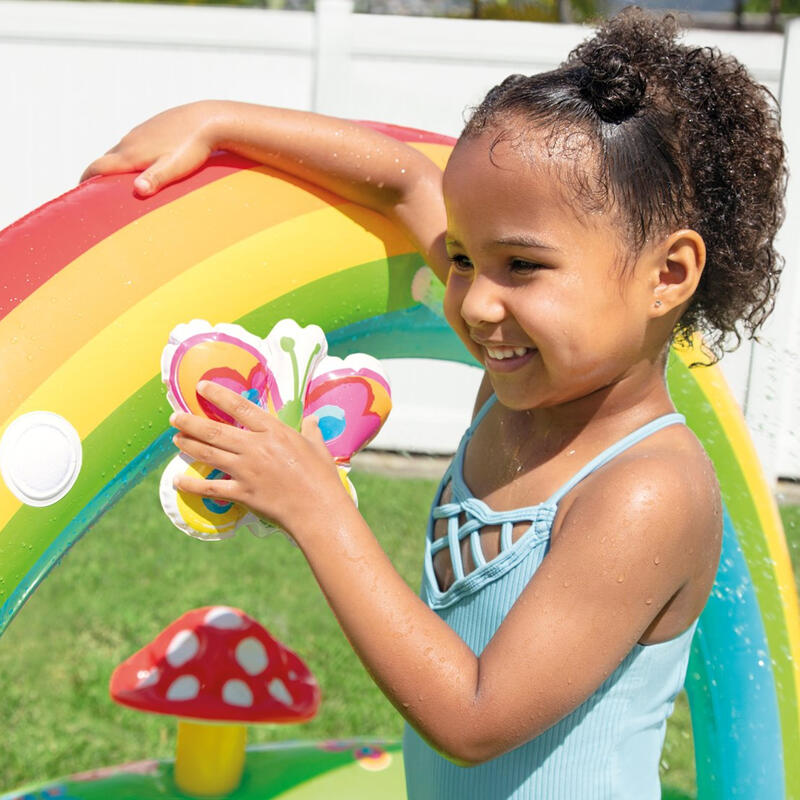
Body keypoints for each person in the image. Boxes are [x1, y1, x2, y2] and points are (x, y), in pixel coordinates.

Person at [83, 9, 785, 798]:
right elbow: (407, 179)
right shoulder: (517, 387)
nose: (476, 303)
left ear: (668, 274)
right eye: (460, 256)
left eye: (520, 264)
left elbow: (474, 715)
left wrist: (319, 508)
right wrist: (217, 121)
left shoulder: (647, 489)